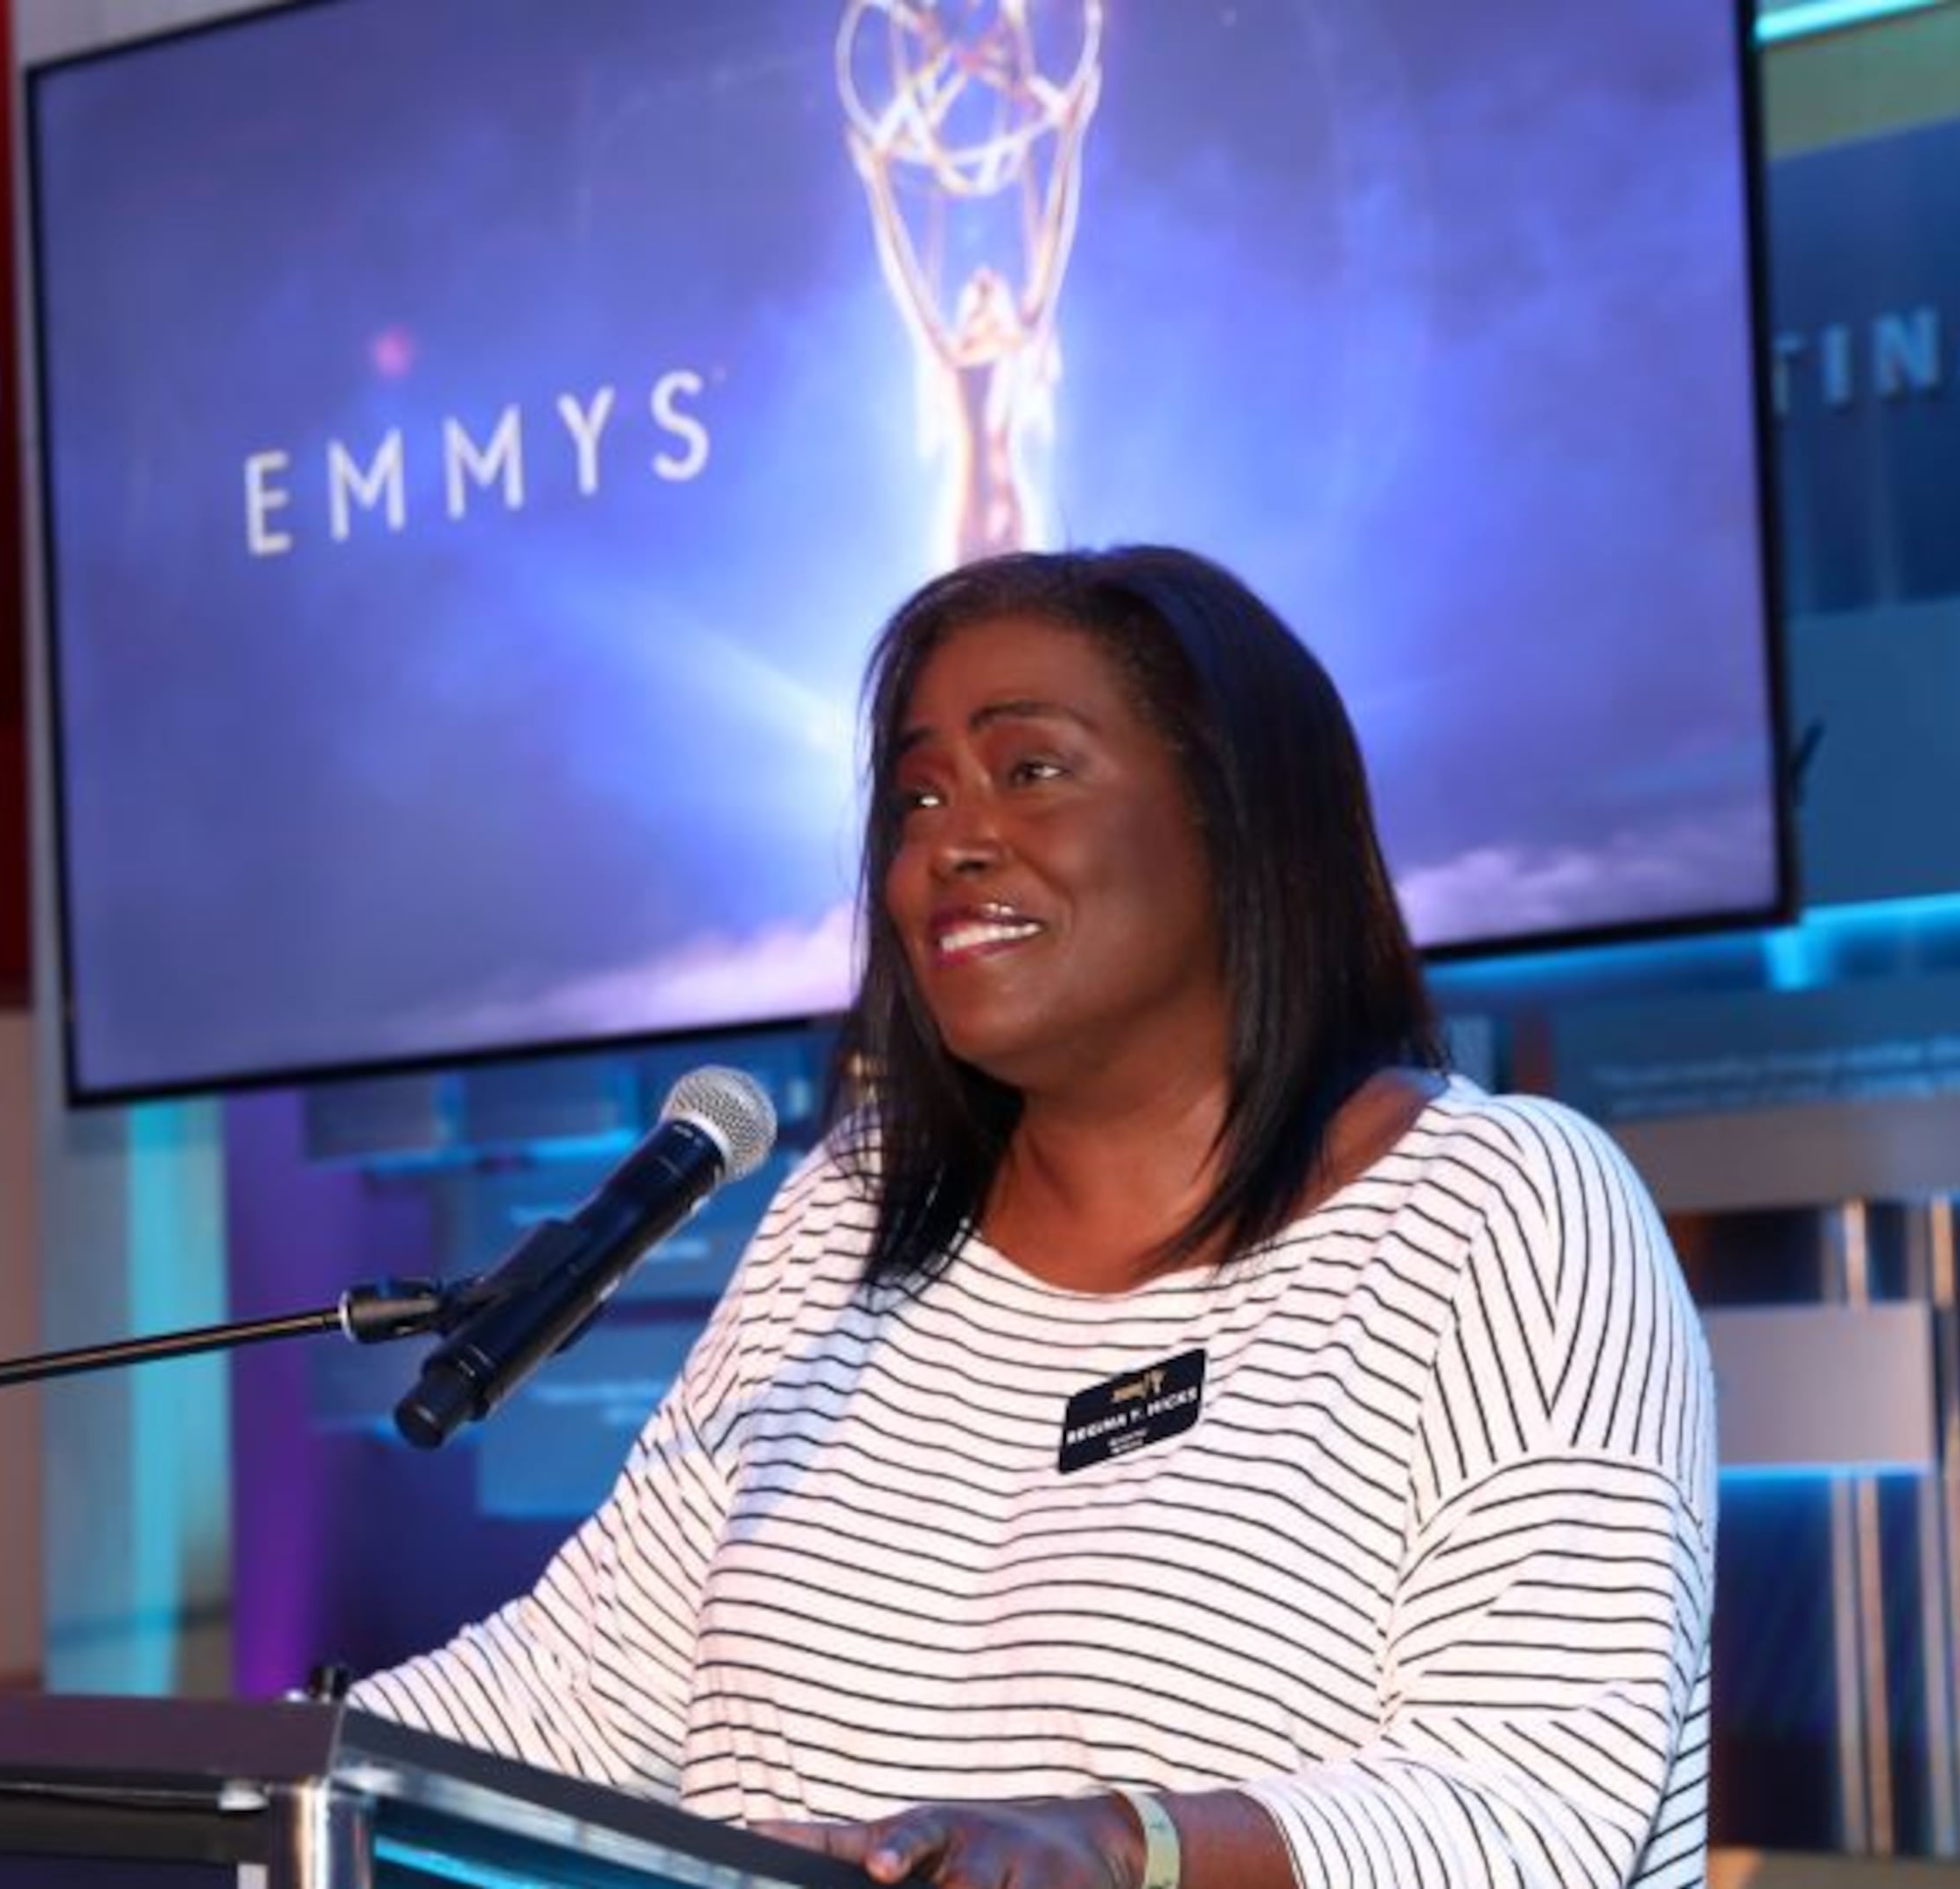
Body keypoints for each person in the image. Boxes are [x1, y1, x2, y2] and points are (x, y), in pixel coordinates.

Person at [351, 547, 1714, 1889]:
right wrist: (242, 1781)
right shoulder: (849, 1217)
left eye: (1032, 771)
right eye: (918, 796)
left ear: (1240, 817)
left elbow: (1533, 1801)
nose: (953, 840)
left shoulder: (1499, 1205)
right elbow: (586, 1691)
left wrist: (1125, 1848)